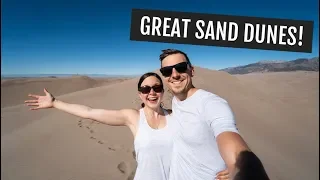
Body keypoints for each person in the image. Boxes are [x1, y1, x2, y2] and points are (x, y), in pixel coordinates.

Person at [24, 72, 230, 180]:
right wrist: (55, 103)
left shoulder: (177, 117)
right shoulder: (132, 117)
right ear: (140, 93)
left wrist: (230, 167)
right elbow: (89, 112)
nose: (152, 92)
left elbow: (205, 141)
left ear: (162, 91)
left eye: (157, 87)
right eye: (146, 88)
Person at [158, 49, 270, 180]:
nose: (174, 75)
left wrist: (240, 167)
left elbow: (228, 135)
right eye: (167, 71)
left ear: (191, 70)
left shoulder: (211, 104)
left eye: (181, 68)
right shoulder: (176, 100)